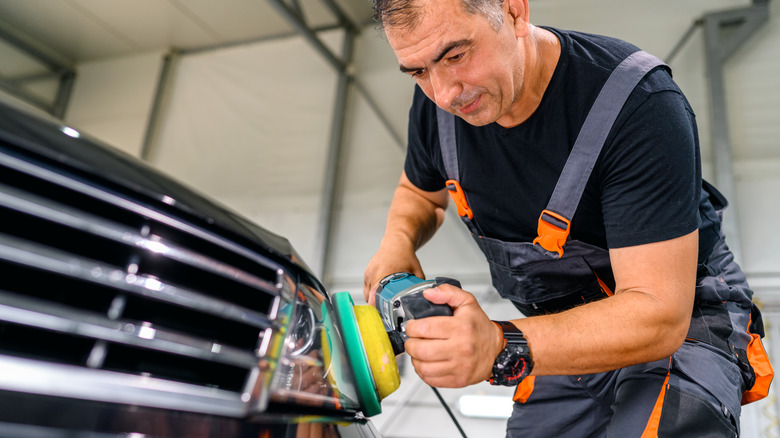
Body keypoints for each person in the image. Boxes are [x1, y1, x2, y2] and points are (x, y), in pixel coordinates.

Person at [362, 0, 773, 436]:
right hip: (558, 335)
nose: (445, 93)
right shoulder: (438, 106)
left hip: (680, 322)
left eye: (457, 56)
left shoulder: (638, 105)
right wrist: (398, 241)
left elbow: (659, 313)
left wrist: (500, 342)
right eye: (418, 72)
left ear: (515, 12)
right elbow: (419, 194)